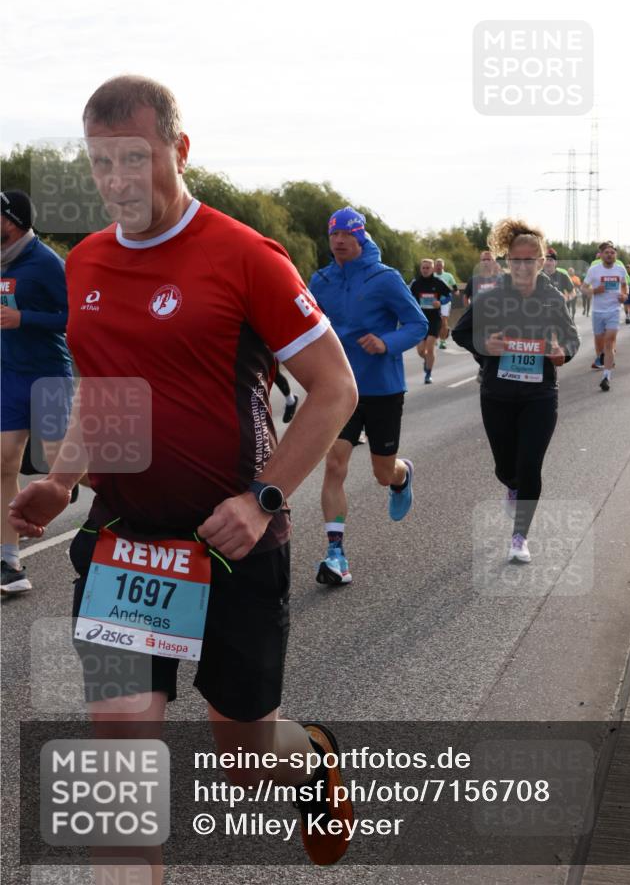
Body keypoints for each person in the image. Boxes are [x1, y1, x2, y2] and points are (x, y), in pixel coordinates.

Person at [9, 76, 360, 871]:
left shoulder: (245, 256)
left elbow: (334, 387)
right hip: (126, 545)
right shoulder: (87, 263)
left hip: (233, 540)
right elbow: (103, 396)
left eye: (136, 159)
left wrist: (262, 498)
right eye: (102, 164)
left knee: (244, 756)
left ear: (180, 149)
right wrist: (62, 482)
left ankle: (308, 761)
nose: (118, 181)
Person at [309, 207, 427, 585]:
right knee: (335, 464)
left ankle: (401, 475)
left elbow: (417, 324)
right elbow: (307, 325)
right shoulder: (322, 280)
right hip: (339, 388)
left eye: (346, 234)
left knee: (381, 472)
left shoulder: (385, 279)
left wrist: (385, 342)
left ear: (360, 237)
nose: (339, 241)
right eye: (333, 235)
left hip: (382, 388)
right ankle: (335, 554)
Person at [452, 219, 579, 563]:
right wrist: (485, 346)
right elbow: (460, 333)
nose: (523, 267)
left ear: (540, 262)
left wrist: (561, 353)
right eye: (516, 260)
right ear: (508, 262)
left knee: (530, 467)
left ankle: (520, 537)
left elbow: (571, 340)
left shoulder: (552, 298)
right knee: (505, 467)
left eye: (530, 260)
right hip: (498, 395)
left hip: (539, 396)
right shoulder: (491, 297)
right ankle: (510, 484)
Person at [1, 190, 74, 594]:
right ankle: (9, 562)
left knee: (59, 464)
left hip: (47, 375)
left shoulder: (45, 263)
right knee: (3, 464)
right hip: (8, 376)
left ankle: (139, 516)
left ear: (11, 222)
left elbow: (74, 317)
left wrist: (23, 318)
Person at [583, 242, 628, 391]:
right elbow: (583, 289)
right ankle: (601, 357)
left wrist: (625, 295)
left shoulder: (620, 270)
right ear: (601, 255)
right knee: (599, 342)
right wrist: (595, 290)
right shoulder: (594, 270)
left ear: (615, 255)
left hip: (614, 311)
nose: (610, 254)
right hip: (597, 312)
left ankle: (606, 377)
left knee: (609, 342)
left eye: (612, 252)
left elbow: (624, 285)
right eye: (607, 252)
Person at [463, 251, 503, 382]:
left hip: (497, 320)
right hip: (478, 320)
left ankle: (494, 372)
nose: (486, 262)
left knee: (496, 346)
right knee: (476, 348)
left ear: (494, 262)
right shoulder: (474, 280)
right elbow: (466, 296)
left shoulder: (501, 279)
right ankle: (482, 366)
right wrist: (468, 310)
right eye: (483, 260)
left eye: (489, 259)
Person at [409, 258, 451, 383]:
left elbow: (449, 295)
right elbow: (408, 298)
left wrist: (440, 302)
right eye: (423, 268)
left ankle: (428, 374)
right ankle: (427, 361)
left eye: (428, 268)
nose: (425, 270)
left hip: (434, 319)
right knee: (421, 351)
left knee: (430, 347)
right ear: (420, 269)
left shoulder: (438, 282)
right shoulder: (416, 284)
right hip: (419, 320)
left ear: (432, 269)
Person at [433, 257, 458, 349]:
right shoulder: (432, 276)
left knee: (444, 321)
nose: (438, 267)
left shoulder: (448, 276)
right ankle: (434, 338)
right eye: (437, 265)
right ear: (434, 266)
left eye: (440, 265)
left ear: (443, 266)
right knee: (434, 321)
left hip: (445, 302)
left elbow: (455, 289)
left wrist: (454, 291)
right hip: (434, 302)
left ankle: (442, 341)